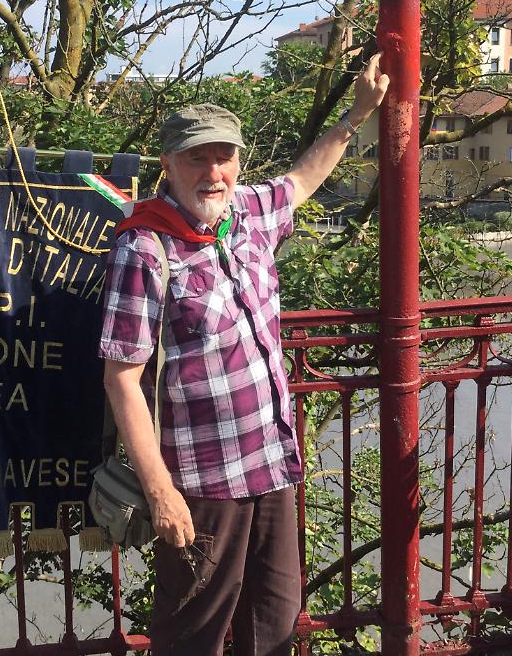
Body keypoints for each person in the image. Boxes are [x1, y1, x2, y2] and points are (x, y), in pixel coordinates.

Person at [98, 54, 390, 655]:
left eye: (223, 156)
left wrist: (359, 112)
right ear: (168, 165)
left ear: (239, 162)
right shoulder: (147, 248)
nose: (213, 171)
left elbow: (304, 179)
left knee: (276, 620)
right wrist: (159, 491)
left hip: (270, 463)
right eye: (196, 157)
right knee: (192, 632)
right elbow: (123, 378)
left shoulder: (250, 215)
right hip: (202, 480)